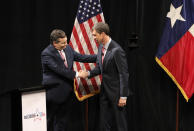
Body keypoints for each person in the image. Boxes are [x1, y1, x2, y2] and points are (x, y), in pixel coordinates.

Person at [41, 29, 96, 131]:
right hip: (53, 93)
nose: (66, 44)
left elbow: (82, 57)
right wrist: (77, 74)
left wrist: (100, 57)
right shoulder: (46, 54)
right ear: (54, 43)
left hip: (66, 91)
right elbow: (59, 70)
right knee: (49, 121)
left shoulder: (68, 48)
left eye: (66, 41)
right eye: (63, 43)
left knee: (62, 121)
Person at [81, 22, 129, 131]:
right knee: (104, 123)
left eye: (95, 35)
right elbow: (99, 68)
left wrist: (123, 96)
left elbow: (123, 74)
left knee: (120, 124)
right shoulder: (101, 47)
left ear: (103, 34)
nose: (93, 38)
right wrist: (88, 73)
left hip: (116, 93)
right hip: (104, 92)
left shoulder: (117, 50)